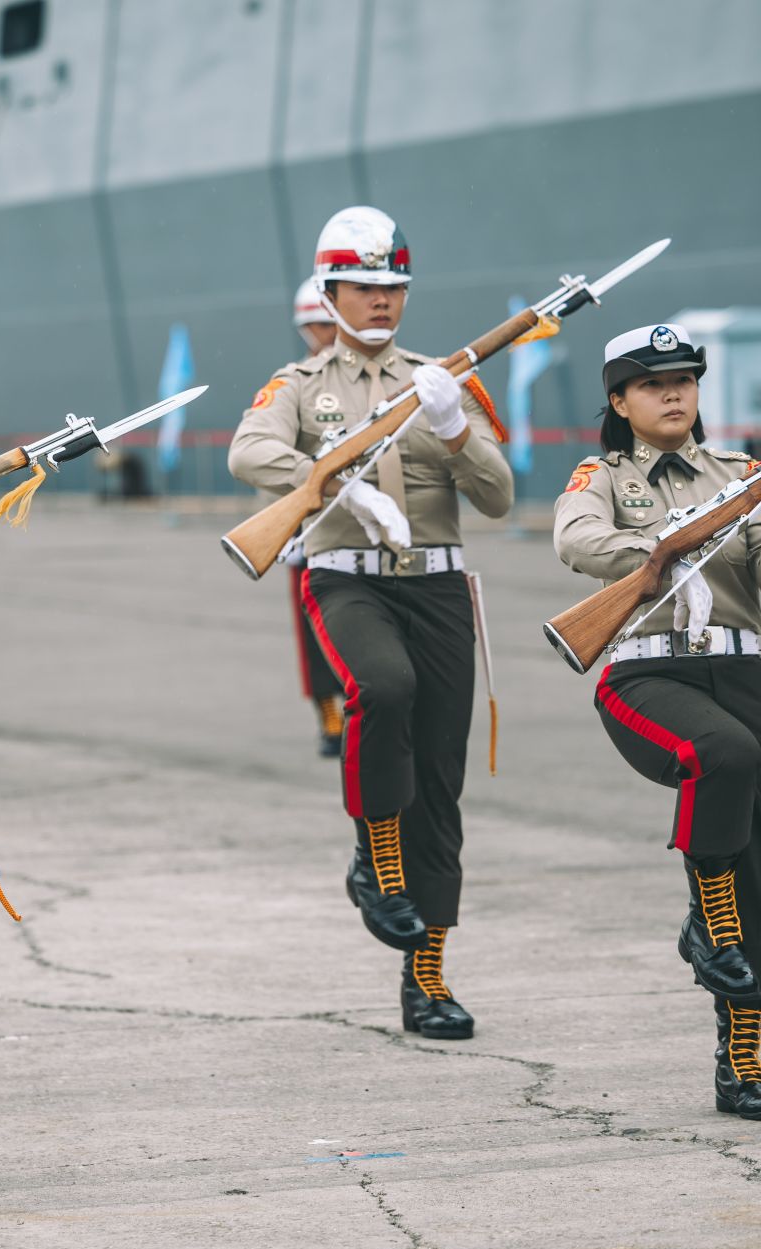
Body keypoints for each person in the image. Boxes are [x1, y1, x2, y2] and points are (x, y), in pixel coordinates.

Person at [230, 206, 512, 1040]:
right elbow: (249, 452)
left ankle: (426, 979)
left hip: (437, 585)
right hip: (346, 577)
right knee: (381, 690)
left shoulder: (441, 379)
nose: (382, 301)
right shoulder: (299, 386)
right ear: (330, 291)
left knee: (440, 783)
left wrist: (456, 428)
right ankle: (374, 857)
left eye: (393, 286)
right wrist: (335, 483)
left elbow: (498, 496)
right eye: (363, 287)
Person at [552, 323, 761, 1120]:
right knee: (721, 752)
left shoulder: (743, 472)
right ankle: (707, 920)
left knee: (757, 869)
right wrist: (667, 540)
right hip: (646, 669)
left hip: (738, 666)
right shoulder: (603, 474)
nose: (673, 393)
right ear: (619, 400)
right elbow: (577, 541)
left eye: (685, 379)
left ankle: (742, 1062)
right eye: (652, 382)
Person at [286, 278, 345, 756]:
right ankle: (330, 714)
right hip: (309, 525)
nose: (322, 334)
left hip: (364, 526)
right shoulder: (295, 384)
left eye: (327, 323)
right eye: (314, 326)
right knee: (312, 634)